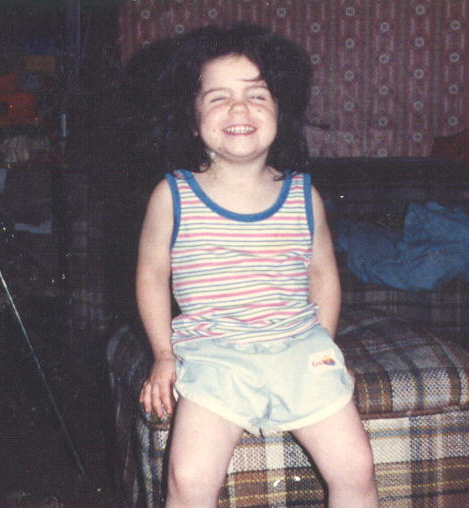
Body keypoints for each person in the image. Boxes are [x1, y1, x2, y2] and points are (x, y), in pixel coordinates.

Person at [137, 24, 378, 508]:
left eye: (256, 95)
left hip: (297, 346)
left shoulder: (304, 195)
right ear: (192, 119)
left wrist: (324, 345)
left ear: (280, 113)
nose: (239, 108)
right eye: (218, 97)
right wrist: (164, 355)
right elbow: (151, 275)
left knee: (357, 469)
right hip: (214, 353)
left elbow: (322, 274)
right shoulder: (173, 194)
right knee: (188, 478)